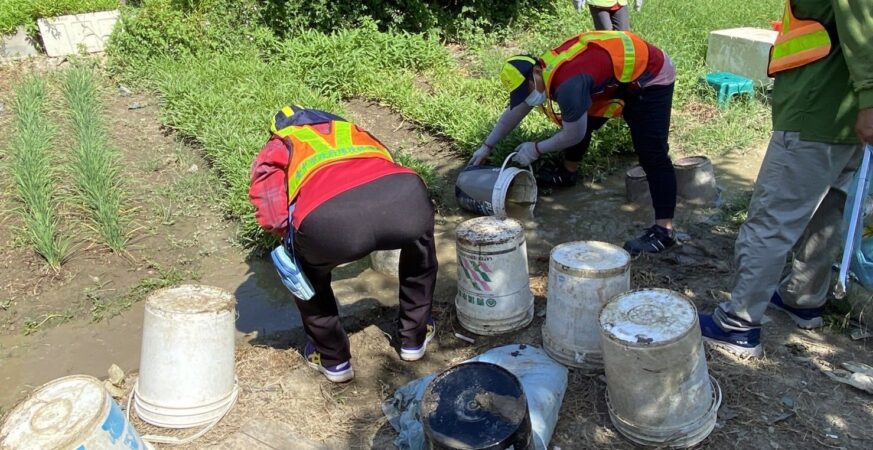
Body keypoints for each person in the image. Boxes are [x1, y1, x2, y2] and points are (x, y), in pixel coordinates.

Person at [699, 0, 873, 357]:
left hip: (816, 112)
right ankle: (803, 297)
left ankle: (738, 324)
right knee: (829, 212)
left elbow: (863, 31)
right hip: (843, 118)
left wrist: (870, 100)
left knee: (770, 220)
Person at [249, 106, 438, 382]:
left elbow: (270, 209)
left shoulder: (281, 144)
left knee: (306, 272)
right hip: (405, 199)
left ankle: (333, 360)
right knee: (420, 243)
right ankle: (414, 338)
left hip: (327, 221)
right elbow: (385, 166)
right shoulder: (351, 130)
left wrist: (294, 240)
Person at [470, 31, 678, 255]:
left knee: (652, 154)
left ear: (536, 72)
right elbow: (517, 110)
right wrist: (487, 146)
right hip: (616, 77)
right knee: (582, 116)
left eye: (526, 91)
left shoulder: (568, 85)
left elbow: (573, 134)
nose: (527, 98)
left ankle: (664, 231)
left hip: (651, 76)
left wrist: (535, 149)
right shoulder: (542, 73)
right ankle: (568, 172)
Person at [573, 0, 642, 31]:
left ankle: (619, 59)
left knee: (624, 35)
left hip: (620, 3)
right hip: (599, 4)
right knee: (606, 34)